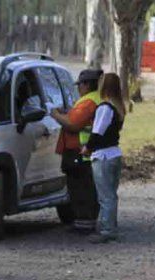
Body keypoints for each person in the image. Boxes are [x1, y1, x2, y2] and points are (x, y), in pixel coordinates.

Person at [51, 69, 103, 234]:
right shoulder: (95, 99)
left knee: (80, 187)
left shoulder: (88, 102)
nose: (78, 88)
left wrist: (55, 114)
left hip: (79, 151)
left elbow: (73, 124)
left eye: (80, 85)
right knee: (84, 186)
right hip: (85, 151)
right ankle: (86, 221)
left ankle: (84, 222)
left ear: (87, 85)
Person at [84, 72, 125, 243]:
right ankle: (109, 226)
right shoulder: (119, 107)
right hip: (115, 153)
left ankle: (107, 230)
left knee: (105, 196)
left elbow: (98, 132)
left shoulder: (104, 108)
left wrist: (87, 147)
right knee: (111, 194)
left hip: (103, 156)